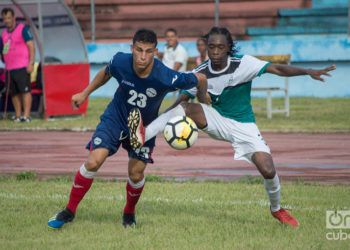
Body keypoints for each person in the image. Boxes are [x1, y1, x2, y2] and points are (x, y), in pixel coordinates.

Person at [128, 27, 336, 228]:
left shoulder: (244, 64)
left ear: (228, 47)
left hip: (244, 126)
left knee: (268, 169)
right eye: (211, 47)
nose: (215, 52)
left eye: (220, 47)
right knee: (183, 106)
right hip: (216, 118)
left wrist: (308, 71)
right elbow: (183, 97)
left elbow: (277, 68)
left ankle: (277, 209)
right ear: (206, 47)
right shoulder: (200, 72)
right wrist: (163, 118)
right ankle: (143, 135)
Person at [47, 29, 208, 229]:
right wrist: (84, 92)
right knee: (94, 161)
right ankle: (69, 211)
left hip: (143, 127)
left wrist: (203, 97)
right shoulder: (120, 61)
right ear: (132, 48)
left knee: (136, 174)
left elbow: (200, 78)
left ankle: (129, 213)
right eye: (139, 50)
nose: (142, 56)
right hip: (116, 118)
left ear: (155, 52)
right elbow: (106, 72)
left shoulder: (166, 76)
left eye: (148, 51)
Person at [0, 7, 35, 122]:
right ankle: (18, 115)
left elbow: (31, 46)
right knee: (13, 93)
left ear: (13, 18)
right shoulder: (3, 34)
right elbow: (2, 50)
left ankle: (26, 115)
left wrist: (31, 63)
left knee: (25, 91)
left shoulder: (23, 29)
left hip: (22, 66)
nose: (7, 21)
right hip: (9, 68)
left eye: (9, 18)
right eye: (4, 19)